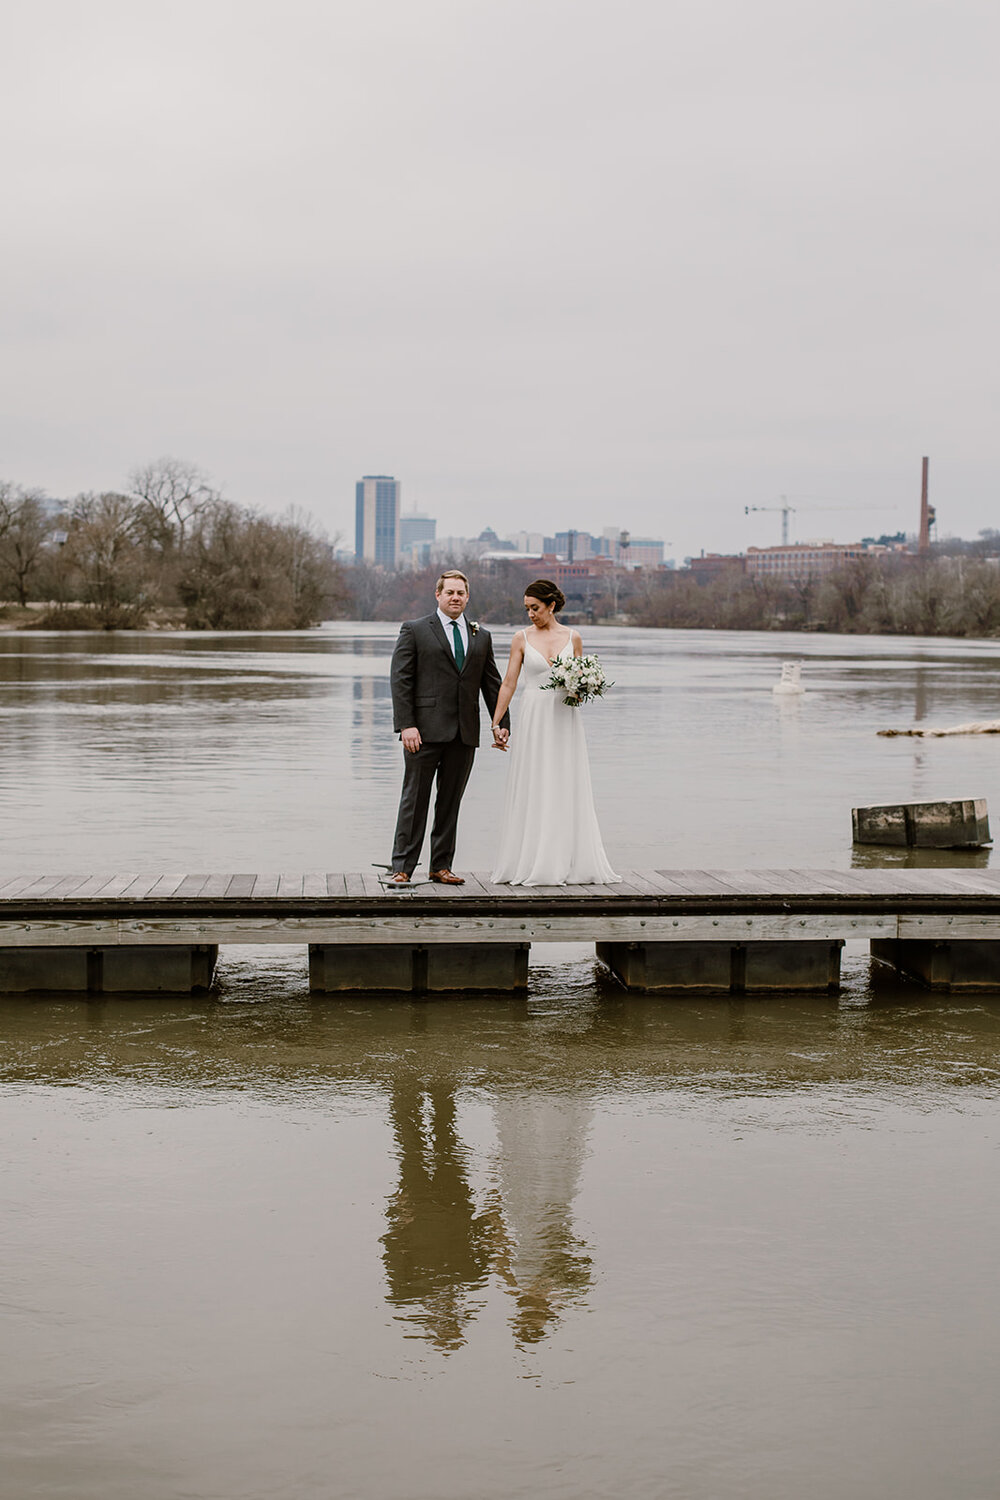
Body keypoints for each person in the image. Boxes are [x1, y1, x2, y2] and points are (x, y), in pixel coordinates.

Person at [490, 579, 619, 886]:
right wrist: (497, 723)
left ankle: (567, 860)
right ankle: (532, 859)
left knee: (564, 781)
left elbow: (578, 681)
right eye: (527, 609)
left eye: (535, 608)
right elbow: (508, 682)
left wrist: (582, 688)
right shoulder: (520, 638)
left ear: (551, 605)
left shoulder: (573, 637)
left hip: (564, 718)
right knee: (536, 782)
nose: (530, 614)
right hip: (534, 715)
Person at [388, 570, 509, 886]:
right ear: (438, 595)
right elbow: (401, 680)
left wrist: (500, 723)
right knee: (415, 801)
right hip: (423, 732)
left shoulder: (480, 635)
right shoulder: (415, 630)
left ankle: (440, 866)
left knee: (450, 802)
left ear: (467, 597)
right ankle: (401, 867)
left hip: (464, 733)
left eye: (461, 593)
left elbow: (492, 683)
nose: (455, 597)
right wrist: (406, 725)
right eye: (450, 592)